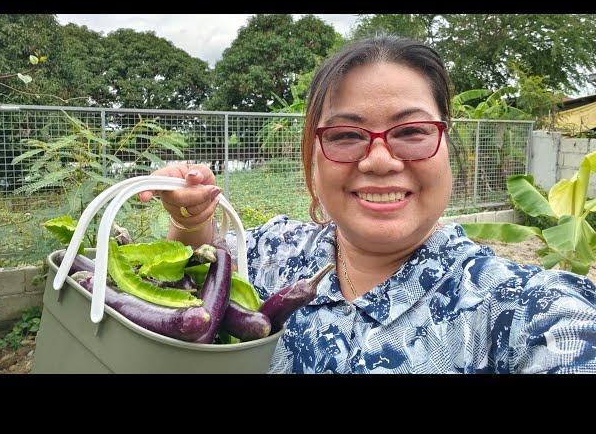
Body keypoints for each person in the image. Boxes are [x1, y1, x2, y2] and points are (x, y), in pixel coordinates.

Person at [139, 35, 596, 374]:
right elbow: (205, 276)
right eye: (345, 135)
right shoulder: (275, 252)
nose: (379, 160)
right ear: (313, 160)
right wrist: (189, 217)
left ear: (446, 148)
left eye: (412, 132)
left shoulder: (521, 308)